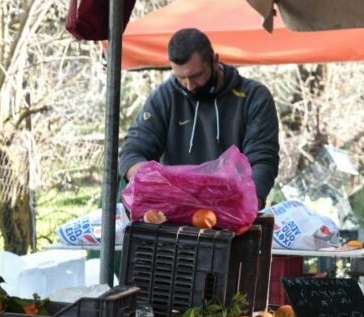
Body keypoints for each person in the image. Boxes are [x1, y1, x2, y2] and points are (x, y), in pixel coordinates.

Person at [119, 28, 280, 208]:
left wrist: (249, 205)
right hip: (174, 209)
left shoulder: (254, 97)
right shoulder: (164, 97)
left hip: (233, 206)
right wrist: (156, 184)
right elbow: (131, 153)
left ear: (214, 60)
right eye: (180, 77)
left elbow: (262, 160)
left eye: (196, 76)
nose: (189, 86)